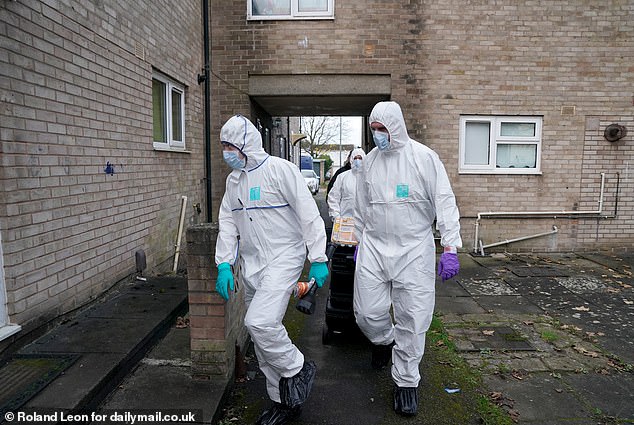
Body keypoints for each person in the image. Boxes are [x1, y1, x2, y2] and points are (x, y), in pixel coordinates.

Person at [214, 114, 329, 425]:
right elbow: (227, 223)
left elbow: (309, 215)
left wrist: (318, 257)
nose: (225, 152)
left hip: (283, 259)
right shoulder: (233, 181)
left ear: (246, 145)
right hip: (251, 266)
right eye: (222, 145)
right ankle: (284, 402)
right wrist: (224, 263)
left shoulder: (280, 171)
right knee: (260, 338)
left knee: (260, 322)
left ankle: (297, 367)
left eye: (230, 146)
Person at [352, 101, 461, 416]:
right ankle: (385, 341)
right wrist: (359, 240)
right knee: (367, 314)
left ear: (396, 127)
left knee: (413, 319)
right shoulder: (370, 162)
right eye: (373, 129)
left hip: (413, 248)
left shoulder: (423, 158)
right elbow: (361, 205)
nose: (377, 135)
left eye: (382, 129)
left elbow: (444, 201)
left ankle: (406, 383)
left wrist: (450, 246)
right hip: (374, 246)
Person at [327, 147, 366, 224]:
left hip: (364, 223)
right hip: (345, 222)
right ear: (351, 159)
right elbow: (333, 198)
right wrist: (336, 217)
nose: (357, 160)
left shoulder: (369, 178)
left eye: (360, 158)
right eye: (355, 158)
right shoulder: (342, 177)